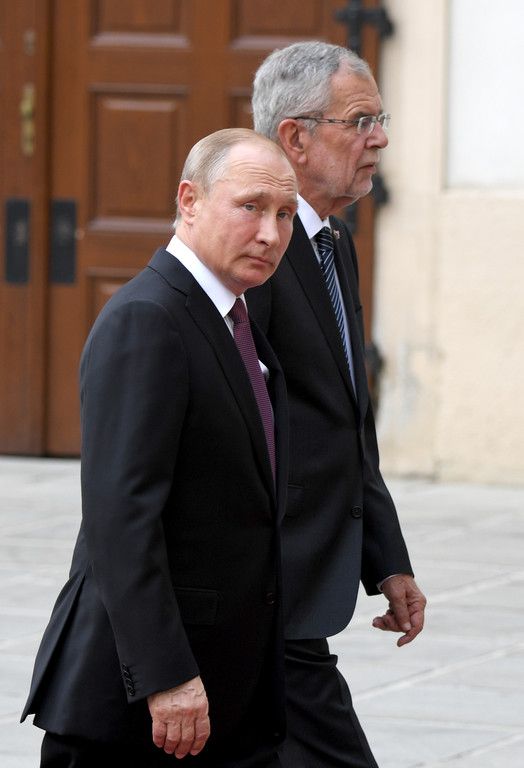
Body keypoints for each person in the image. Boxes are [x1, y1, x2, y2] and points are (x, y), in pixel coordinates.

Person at [21, 128, 298, 768]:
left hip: (228, 691)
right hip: (137, 709)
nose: (271, 233)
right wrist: (165, 675)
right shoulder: (148, 318)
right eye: (251, 206)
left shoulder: (232, 319)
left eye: (285, 214)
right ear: (189, 200)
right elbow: (121, 519)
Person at [247, 41, 427, 767]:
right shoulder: (253, 254)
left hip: (292, 598)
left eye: (379, 120)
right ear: (295, 137)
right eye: (360, 122)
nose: (378, 138)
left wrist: (387, 560)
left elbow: (345, 420)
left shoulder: (332, 243)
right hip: (260, 595)